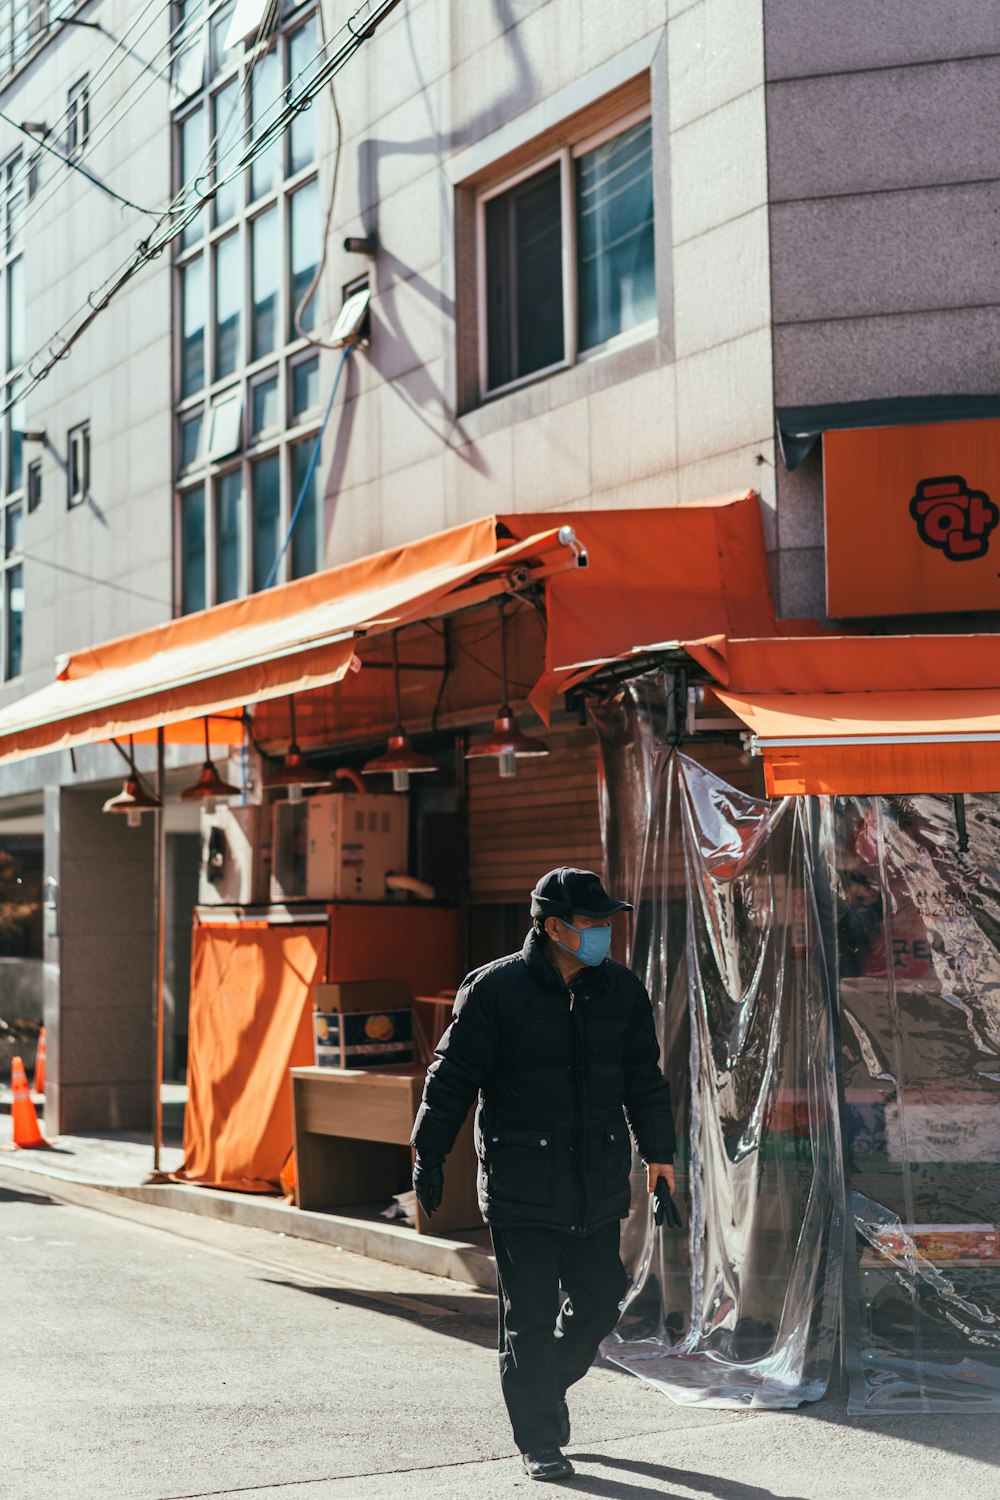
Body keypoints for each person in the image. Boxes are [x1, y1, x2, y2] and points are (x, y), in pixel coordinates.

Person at [410, 866, 676, 1483]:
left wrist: (659, 1157)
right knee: (526, 1317)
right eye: (593, 922)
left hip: (598, 1177)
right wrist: (429, 1153)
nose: (605, 932)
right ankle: (538, 1437)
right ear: (554, 926)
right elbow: (451, 1079)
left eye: (609, 922)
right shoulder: (493, 991)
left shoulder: (622, 991)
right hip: (521, 1180)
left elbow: (645, 1080)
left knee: (602, 1302)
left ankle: (544, 1386)